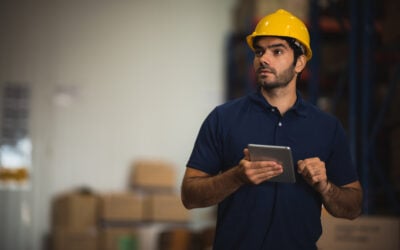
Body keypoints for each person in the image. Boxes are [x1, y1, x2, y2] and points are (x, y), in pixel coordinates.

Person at [181, 9, 363, 250]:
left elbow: (353, 207)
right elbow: (189, 196)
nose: (263, 59)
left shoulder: (327, 128)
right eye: (259, 52)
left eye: (276, 51)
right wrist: (237, 177)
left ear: (300, 62)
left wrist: (324, 186)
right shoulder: (223, 119)